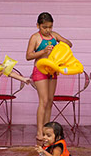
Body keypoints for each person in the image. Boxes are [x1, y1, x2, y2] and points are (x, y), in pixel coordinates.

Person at [25, 12, 73, 141]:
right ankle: (40, 131)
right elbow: (28, 56)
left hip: (52, 71)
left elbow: (69, 44)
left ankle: (47, 132)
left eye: (50, 27)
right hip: (39, 70)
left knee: (50, 101)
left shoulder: (54, 35)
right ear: (38, 26)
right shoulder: (35, 38)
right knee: (44, 101)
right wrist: (43, 51)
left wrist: (60, 45)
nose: (47, 30)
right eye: (44, 27)